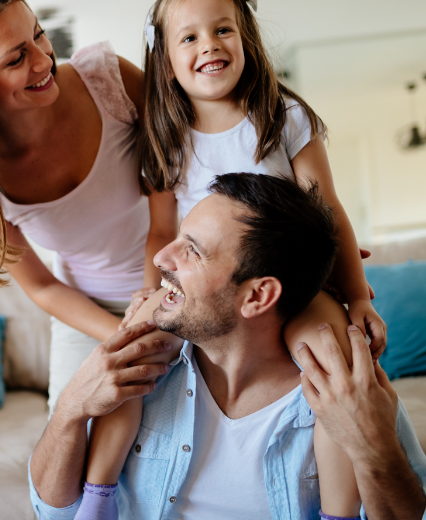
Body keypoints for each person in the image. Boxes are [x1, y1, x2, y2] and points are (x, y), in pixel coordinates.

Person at [81, 1, 386, 518]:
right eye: (190, 38)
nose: (210, 46)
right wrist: (150, 290)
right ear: (165, 60)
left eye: (223, 30)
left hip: (295, 287)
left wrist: (356, 295)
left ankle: (339, 511)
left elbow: (328, 211)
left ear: (245, 37)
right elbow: (161, 230)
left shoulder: (284, 118)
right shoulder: (166, 136)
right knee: (134, 352)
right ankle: (98, 496)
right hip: (206, 286)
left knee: (332, 361)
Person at [29, 173, 426, 520]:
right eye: (179, 236)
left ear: (258, 296)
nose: (163, 257)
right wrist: (70, 412)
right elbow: (53, 513)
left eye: (193, 251)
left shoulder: (345, 390)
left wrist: (373, 448)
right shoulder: (138, 367)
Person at [0, 0, 181, 412]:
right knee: (67, 439)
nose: (45, 60)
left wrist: (149, 308)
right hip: (87, 313)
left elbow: (177, 175)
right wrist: (122, 334)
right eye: (17, 58)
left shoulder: (109, 79)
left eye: (38, 34)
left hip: (173, 282)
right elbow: (42, 285)